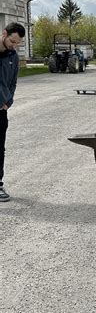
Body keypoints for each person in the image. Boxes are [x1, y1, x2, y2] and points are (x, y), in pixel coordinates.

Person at [0, 22, 25, 201]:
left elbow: (13, 82)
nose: (14, 46)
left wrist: (9, 101)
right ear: (4, 33)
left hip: (1, 110)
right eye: (12, 41)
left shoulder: (13, 56)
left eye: (17, 43)